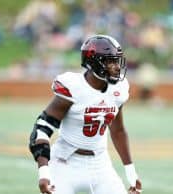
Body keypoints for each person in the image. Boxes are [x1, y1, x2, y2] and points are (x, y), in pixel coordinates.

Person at [28, 34, 142, 194]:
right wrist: (44, 173)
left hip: (100, 163)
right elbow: (41, 130)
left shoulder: (119, 89)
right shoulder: (74, 87)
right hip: (65, 163)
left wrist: (131, 172)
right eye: (110, 61)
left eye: (117, 60)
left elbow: (118, 131)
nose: (117, 66)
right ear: (93, 63)